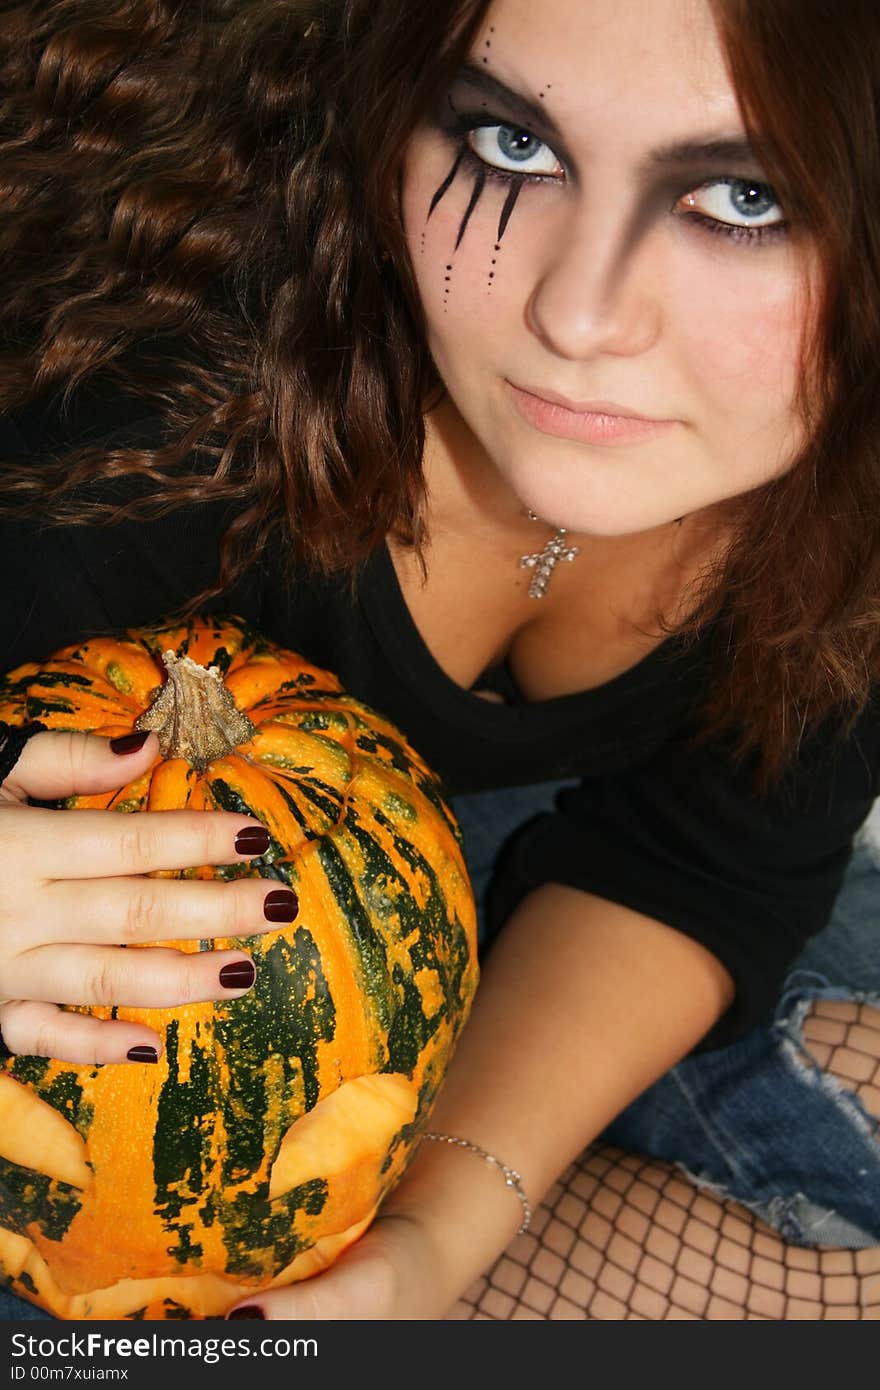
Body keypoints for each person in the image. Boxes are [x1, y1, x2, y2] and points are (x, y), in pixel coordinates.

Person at [1, 0, 879, 1322]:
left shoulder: (851, 485)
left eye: (746, 195)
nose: (579, 314)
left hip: (429, 927)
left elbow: (706, 861)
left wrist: (427, 1242)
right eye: (512, 146)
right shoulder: (155, 401)